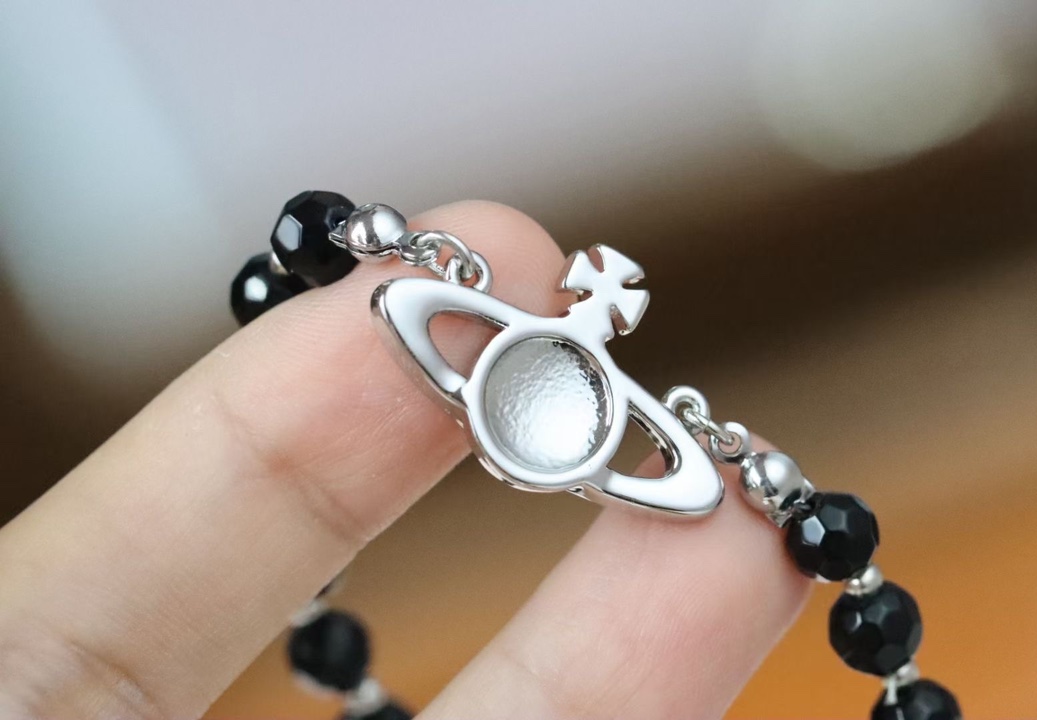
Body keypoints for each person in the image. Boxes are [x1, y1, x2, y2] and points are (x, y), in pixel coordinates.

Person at [0, 202, 810, 719]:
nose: (602, 298)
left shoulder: (530, 358)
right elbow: (403, 300)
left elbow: (694, 488)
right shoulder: (531, 360)